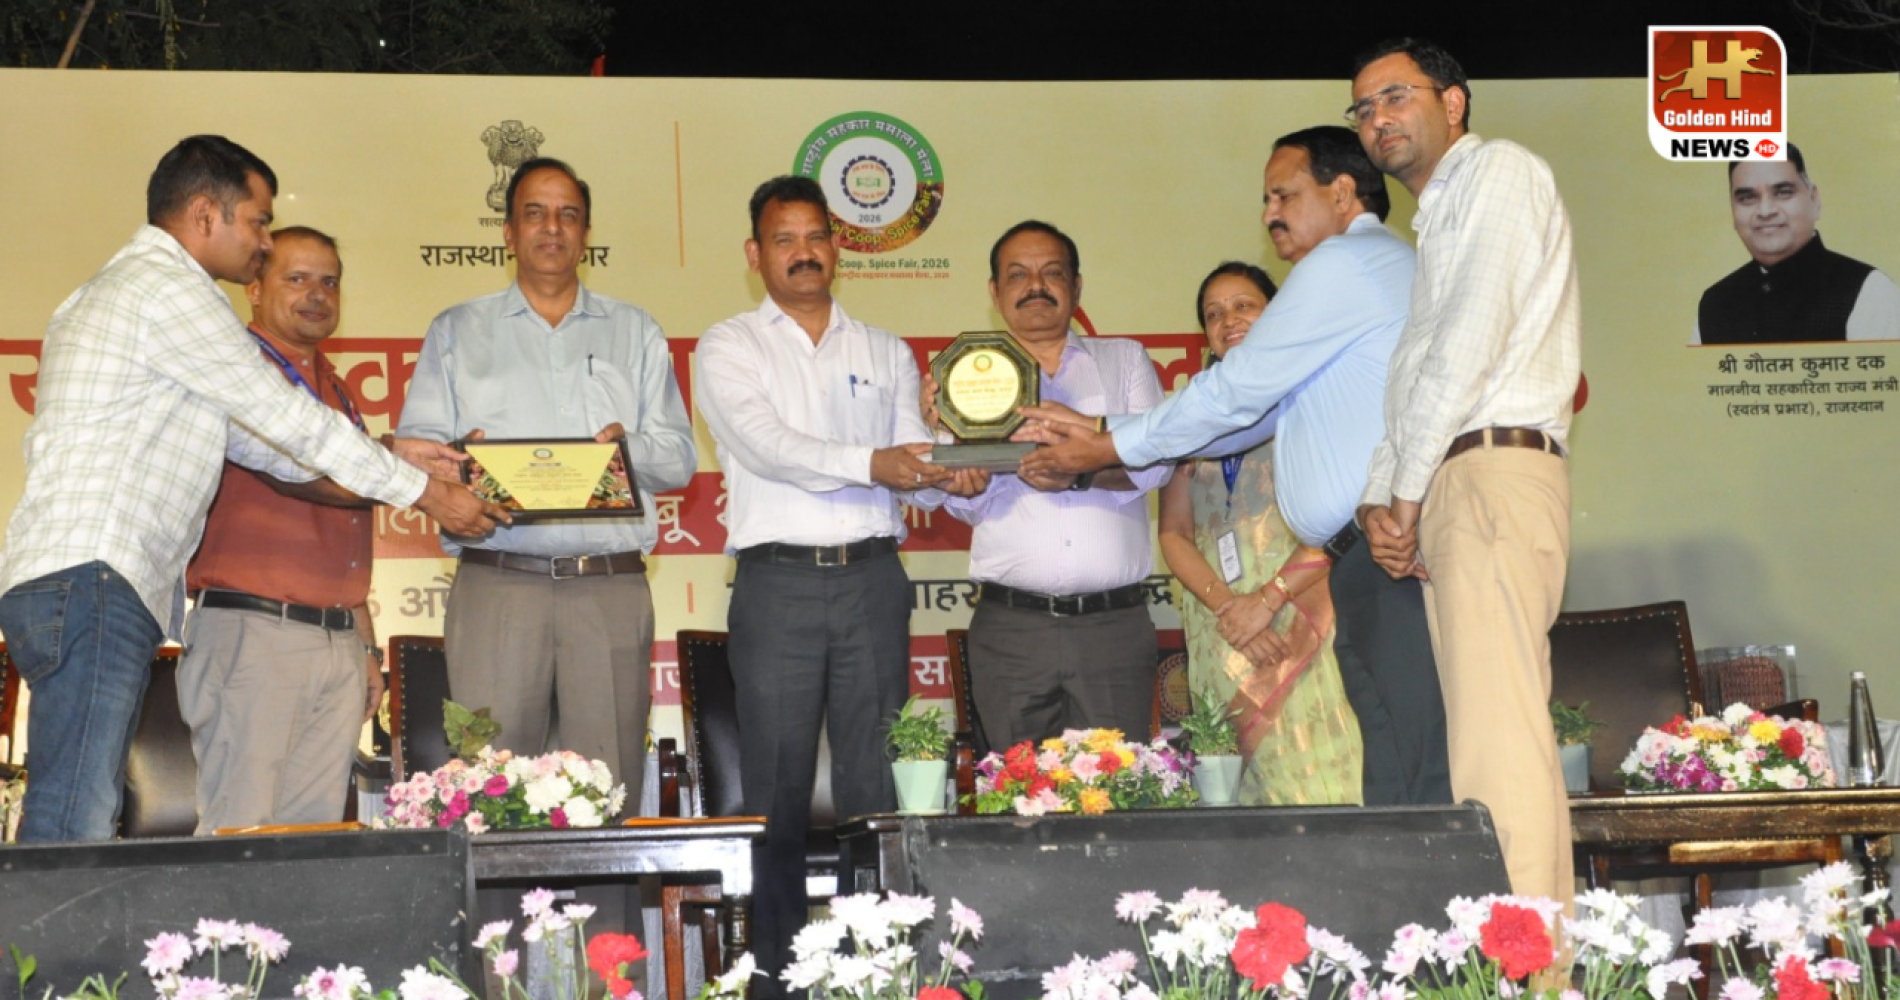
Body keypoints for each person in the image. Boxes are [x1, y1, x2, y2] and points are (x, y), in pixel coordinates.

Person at [0, 134, 503, 844]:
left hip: (87, 581)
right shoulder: (169, 291)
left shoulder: (144, 290)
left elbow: (262, 444)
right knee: (73, 817)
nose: (264, 243)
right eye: (260, 222)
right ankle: (45, 927)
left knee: (82, 806)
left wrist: (393, 454)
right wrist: (420, 490)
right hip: (93, 579)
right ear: (206, 214)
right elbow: (283, 419)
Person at [1017, 127, 1448, 806]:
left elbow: (1235, 395)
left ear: (1342, 193)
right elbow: (1244, 423)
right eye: (1266, 199)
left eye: (1284, 195)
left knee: (1413, 762)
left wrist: (1103, 442)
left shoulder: (1341, 266)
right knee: (1395, 767)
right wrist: (1107, 431)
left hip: (1379, 558)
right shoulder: (1364, 268)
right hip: (1367, 557)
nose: (1269, 213)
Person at [694, 175, 948, 997]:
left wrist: (955, 463)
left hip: (873, 577)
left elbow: (914, 460)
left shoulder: (884, 349)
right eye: (785, 239)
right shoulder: (728, 346)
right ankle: (777, 976)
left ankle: (874, 970)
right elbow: (767, 446)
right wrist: (876, 463)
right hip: (778, 585)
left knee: (876, 789)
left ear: (837, 248)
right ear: (755, 253)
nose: (803, 253)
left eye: (816, 237)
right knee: (775, 791)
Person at [1349, 38, 1581, 905]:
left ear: (1454, 102)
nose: (1377, 119)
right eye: (1363, 108)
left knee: (1496, 747)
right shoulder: (1440, 218)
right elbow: (1416, 378)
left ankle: (1528, 962)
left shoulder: (1498, 173)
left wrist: (1404, 498)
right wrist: (1382, 500)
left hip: (1488, 470)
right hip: (1456, 477)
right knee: (1487, 743)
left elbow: (1466, 348)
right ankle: (1527, 950)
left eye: (1396, 97)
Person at [398, 157, 695, 816]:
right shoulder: (456, 330)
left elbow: (678, 458)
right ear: (508, 231)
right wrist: (462, 464)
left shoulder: (636, 330)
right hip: (499, 585)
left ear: (586, 232)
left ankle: (607, 894)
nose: (551, 228)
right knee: (490, 795)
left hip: (607, 588)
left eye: (567, 215)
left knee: (606, 794)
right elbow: (417, 455)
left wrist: (624, 452)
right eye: (534, 213)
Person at [929, 221, 1169, 750]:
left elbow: (1157, 463)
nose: (1035, 286)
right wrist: (963, 482)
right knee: (1014, 791)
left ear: (1076, 287)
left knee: (1118, 788)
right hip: (1012, 630)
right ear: (995, 292)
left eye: (1052, 273)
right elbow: (964, 504)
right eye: (1018, 275)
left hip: (1112, 627)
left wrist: (1078, 472)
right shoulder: (966, 377)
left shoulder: (1124, 359)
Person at [179, 226, 387, 834]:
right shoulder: (233, 374)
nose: (317, 295)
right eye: (296, 279)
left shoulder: (335, 388)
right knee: (240, 835)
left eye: (330, 282)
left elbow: (344, 528)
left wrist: (364, 646)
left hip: (336, 641)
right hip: (255, 632)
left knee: (310, 844)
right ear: (254, 287)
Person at [1157, 262, 1363, 805]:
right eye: (1214, 314)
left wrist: (1268, 600)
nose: (1229, 320)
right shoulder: (1190, 415)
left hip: (1303, 620)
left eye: (1244, 306)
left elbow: (1342, 520)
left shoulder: (1314, 399)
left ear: (1278, 314)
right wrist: (1233, 610)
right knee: (1236, 795)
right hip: (1221, 632)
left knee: (1318, 782)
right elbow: (1174, 532)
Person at [1695, 145, 1900, 344]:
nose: (1765, 211)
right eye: (1747, 198)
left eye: (1783, 192)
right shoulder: (1715, 303)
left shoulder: (1870, 293)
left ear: (1814, 199)